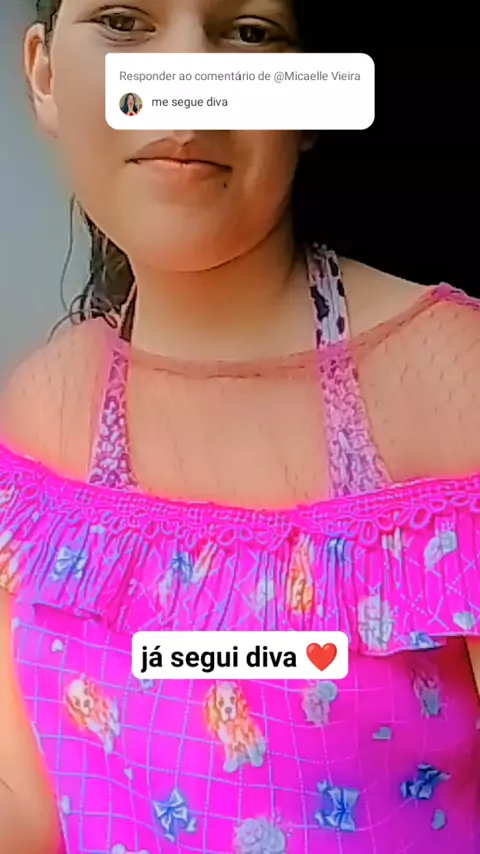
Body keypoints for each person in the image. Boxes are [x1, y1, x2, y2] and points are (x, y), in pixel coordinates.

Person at [0, 0, 479, 852]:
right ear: (42, 75)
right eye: (125, 22)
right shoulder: (39, 412)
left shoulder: (454, 388)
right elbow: (32, 811)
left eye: (249, 33)